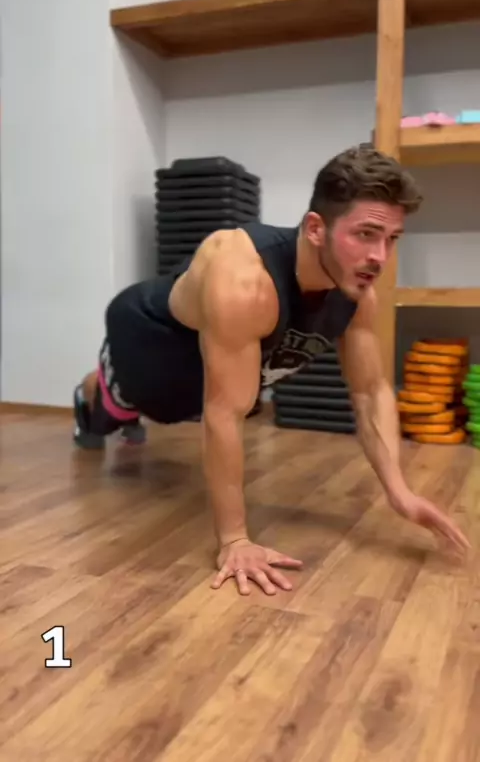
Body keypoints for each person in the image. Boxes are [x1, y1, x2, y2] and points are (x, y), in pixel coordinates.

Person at [73, 145, 470, 594]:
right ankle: (94, 390)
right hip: (150, 339)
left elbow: (370, 390)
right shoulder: (244, 279)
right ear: (316, 228)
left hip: (212, 358)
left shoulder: (356, 292)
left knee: (214, 400)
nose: (380, 256)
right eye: (366, 234)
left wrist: (400, 493)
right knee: (122, 408)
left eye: (392, 238)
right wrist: (234, 540)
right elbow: (224, 414)